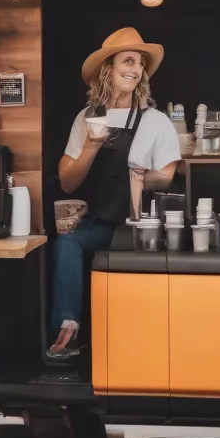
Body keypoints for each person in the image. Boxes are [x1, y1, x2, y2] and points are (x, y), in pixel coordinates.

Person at [47, 27, 182, 359]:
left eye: (139, 64)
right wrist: (91, 148)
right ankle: (69, 328)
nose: (135, 69)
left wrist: (139, 175)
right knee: (67, 242)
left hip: (142, 228)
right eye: (128, 60)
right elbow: (67, 182)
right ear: (107, 67)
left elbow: (167, 177)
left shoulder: (156, 121)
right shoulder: (87, 119)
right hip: (101, 223)